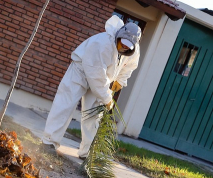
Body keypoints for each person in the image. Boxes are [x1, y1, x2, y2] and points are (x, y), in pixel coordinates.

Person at [42, 15, 142, 159]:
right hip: (81, 70)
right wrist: (107, 98)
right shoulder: (102, 43)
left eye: (128, 46)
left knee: (93, 116)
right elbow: (96, 76)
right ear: (119, 36)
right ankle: (49, 142)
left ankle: (86, 153)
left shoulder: (134, 50)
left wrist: (120, 80)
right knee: (65, 104)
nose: (125, 46)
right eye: (123, 42)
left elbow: (130, 66)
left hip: (103, 78)